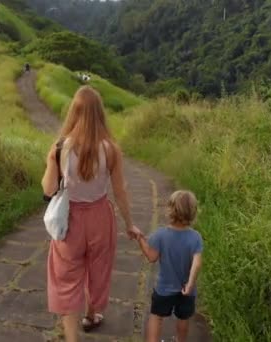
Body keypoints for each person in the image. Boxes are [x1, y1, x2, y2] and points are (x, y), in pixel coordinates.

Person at [42, 86, 141, 342]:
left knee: (66, 277)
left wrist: (52, 161)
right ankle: (91, 314)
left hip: (70, 220)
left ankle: (73, 337)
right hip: (100, 217)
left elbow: (48, 189)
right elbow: (120, 191)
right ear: (100, 113)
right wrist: (130, 224)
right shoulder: (111, 149)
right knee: (97, 269)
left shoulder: (60, 147)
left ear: (74, 112)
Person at [136, 190, 203, 342]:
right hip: (187, 292)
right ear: (193, 212)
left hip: (164, 289)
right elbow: (197, 262)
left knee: (156, 317)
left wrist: (140, 239)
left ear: (170, 210)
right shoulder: (195, 237)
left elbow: (151, 257)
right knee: (183, 318)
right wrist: (190, 283)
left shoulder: (160, 235)